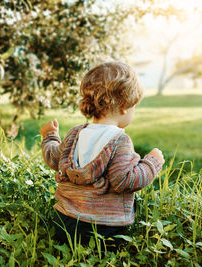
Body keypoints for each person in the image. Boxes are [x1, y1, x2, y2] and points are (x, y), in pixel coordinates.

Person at [40, 62, 165, 252]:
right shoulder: (119, 141)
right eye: (134, 107)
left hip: (64, 222)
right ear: (124, 106)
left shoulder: (75, 133)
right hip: (104, 229)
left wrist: (50, 136)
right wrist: (152, 163)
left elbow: (54, 159)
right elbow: (125, 180)